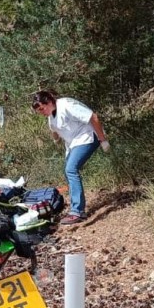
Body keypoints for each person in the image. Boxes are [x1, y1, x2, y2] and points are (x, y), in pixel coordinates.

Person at [31, 89, 109, 226]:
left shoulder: (67, 105)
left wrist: (103, 140)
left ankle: (77, 211)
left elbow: (93, 117)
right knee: (68, 172)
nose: (42, 113)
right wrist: (56, 140)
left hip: (88, 136)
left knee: (71, 169)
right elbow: (54, 130)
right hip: (74, 144)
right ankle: (77, 208)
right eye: (39, 111)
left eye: (42, 109)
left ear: (49, 102)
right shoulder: (51, 115)